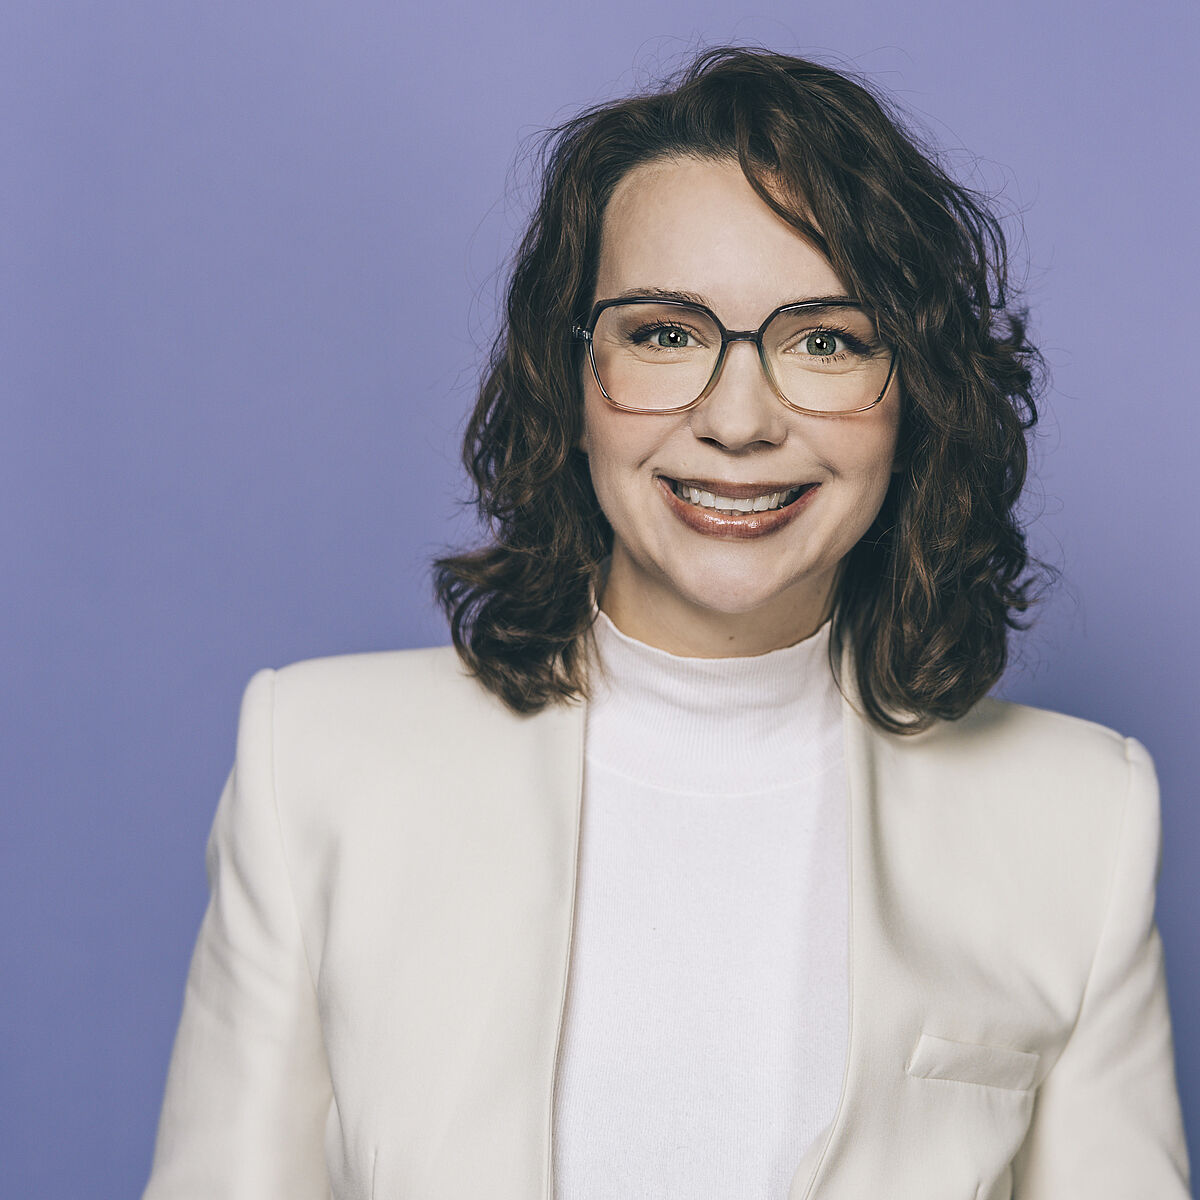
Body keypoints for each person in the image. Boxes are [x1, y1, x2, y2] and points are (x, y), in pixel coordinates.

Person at [142, 47, 1191, 1199]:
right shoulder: (317, 765)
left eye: (826, 341)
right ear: (571, 375)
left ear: (919, 396)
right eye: (664, 333)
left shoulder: (1084, 821)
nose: (738, 421)